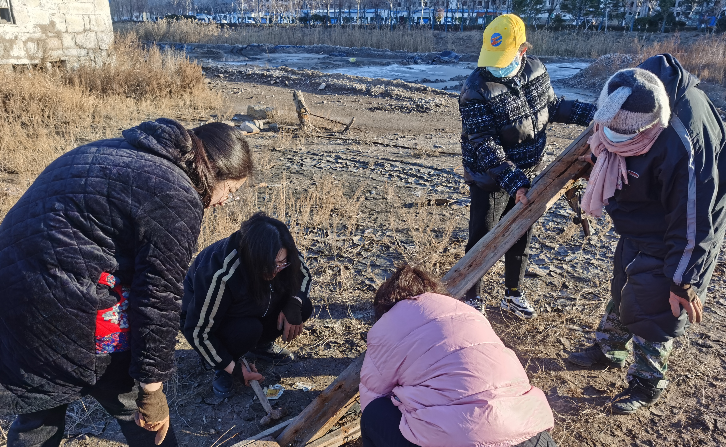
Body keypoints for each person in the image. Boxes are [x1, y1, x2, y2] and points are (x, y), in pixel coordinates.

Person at [0, 119, 253, 446]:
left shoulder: (116, 148)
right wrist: (151, 388)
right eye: (230, 191)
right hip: (67, 303)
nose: (223, 202)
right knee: (137, 408)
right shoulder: (177, 194)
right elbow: (158, 298)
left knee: (40, 406)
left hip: (13, 292)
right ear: (214, 171)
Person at [568, 55, 726, 415]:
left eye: (625, 139)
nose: (613, 142)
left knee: (658, 298)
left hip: (682, 224)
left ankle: (648, 381)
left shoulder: (682, 141)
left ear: (653, 125)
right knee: (626, 280)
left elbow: (692, 219)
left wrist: (684, 279)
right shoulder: (629, 90)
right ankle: (610, 348)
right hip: (641, 214)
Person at [458, 13, 596, 319]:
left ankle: (513, 294)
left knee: (521, 233)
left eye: (503, 57)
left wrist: (594, 115)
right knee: (483, 237)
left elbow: (552, 106)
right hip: (490, 177)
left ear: (522, 50)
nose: (494, 66)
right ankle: (471, 297)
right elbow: (484, 144)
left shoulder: (536, 70)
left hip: (529, 171)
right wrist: (514, 182)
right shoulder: (475, 89)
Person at [359, 264, 557, 447]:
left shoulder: (386, 325)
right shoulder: (468, 312)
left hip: (462, 438)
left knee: (373, 413)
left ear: (383, 306)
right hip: (530, 430)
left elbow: (374, 394)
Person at [181, 212, 312, 398]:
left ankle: (261, 346)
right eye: (269, 266)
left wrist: (294, 303)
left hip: (255, 305)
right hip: (216, 318)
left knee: (303, 307)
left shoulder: (281, 250)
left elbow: (304, 275)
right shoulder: (221, 273)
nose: (275, 271)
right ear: (254, 258)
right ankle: (222, 366)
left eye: (281, 263)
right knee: (248, 330)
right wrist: (233, 368)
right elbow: (197, 331)